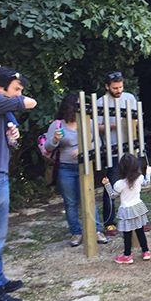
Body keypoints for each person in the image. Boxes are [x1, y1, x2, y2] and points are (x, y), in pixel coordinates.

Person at [0, 66, 37, 301]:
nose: (20, 93)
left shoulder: (0, 108)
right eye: (16, 89)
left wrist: (12, 135)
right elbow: (30, 103)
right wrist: (18, 100)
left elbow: (13, 142)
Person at [44, 94, 108, 247]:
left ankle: (97, 230)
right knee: (70, 202)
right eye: (79, 105)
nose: (83, 108)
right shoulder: (58, 125)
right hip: (65, 167)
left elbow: (98, 144)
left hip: (85, 165)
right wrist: (55, 140)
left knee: (89, 197)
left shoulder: (89, 122)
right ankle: (76, 232)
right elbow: (47, 147)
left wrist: (82, 149)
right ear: (70, 107)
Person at [97, 71, 138, 236]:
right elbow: (95, 127)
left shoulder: (129, 98)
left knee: (134, 184)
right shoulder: (100, 102)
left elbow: (136, 120)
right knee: (111, 184)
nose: (118, 90)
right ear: (107, 87)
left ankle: (137, 218)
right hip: (111, 148)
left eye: (120, 87)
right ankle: (109, 221)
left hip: (129, 147)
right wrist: (114, 125)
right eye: (115, 88)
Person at [102, 153, 151, 264]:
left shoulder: (119, 184)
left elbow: (112, 196)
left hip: (126, 210)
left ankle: (127, 255)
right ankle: (146, 251)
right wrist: (149, 173)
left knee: (127, 234)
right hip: (138, 207)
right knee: (140, 231)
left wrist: (107, 184)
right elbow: (147, 183)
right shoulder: (139, 178)